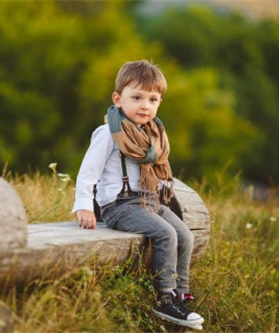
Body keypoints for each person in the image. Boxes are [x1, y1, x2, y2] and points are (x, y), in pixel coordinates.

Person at [72, 60, 204, 330]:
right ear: (118, 100)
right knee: (165, 234)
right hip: (120, 206)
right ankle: (164, 298)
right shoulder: (110, 133)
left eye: (153, 99)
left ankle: (181, 292)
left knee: (185, 234)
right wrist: (84, 206)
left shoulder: (153, 136)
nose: (145, 105)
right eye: (137, 97)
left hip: (149, 202)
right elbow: (88, 172)